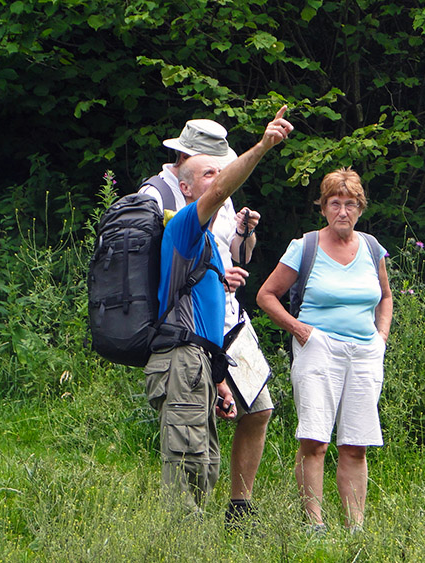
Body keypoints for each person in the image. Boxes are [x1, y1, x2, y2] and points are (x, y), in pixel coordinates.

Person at [143, 106, 293, 511]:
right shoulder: (179, 218)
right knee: (189, 468)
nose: (218, 179)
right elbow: (219, 193)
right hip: (182, 354)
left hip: (206, 354)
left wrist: (219, 379)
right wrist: (262, 147)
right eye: (209, 174)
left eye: (218, 171)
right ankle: (179, 544)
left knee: (203, 465)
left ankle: (227, 517)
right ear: (188, 187)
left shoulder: (211, 233)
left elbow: (230, 266)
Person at [256, 168, 393, 533]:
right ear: (324, 208)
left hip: (365, 352)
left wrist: (381, 336)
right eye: (335, 203)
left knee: (356, 444)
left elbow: (386, 296)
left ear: (361, 208)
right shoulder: (306, 247)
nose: (343, 212)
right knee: (315, 439)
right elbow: (266, 296)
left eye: (350, 204)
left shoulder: (372, 247)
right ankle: (314, 523)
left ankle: (355, 528)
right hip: (319, 350)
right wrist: (302, 330)